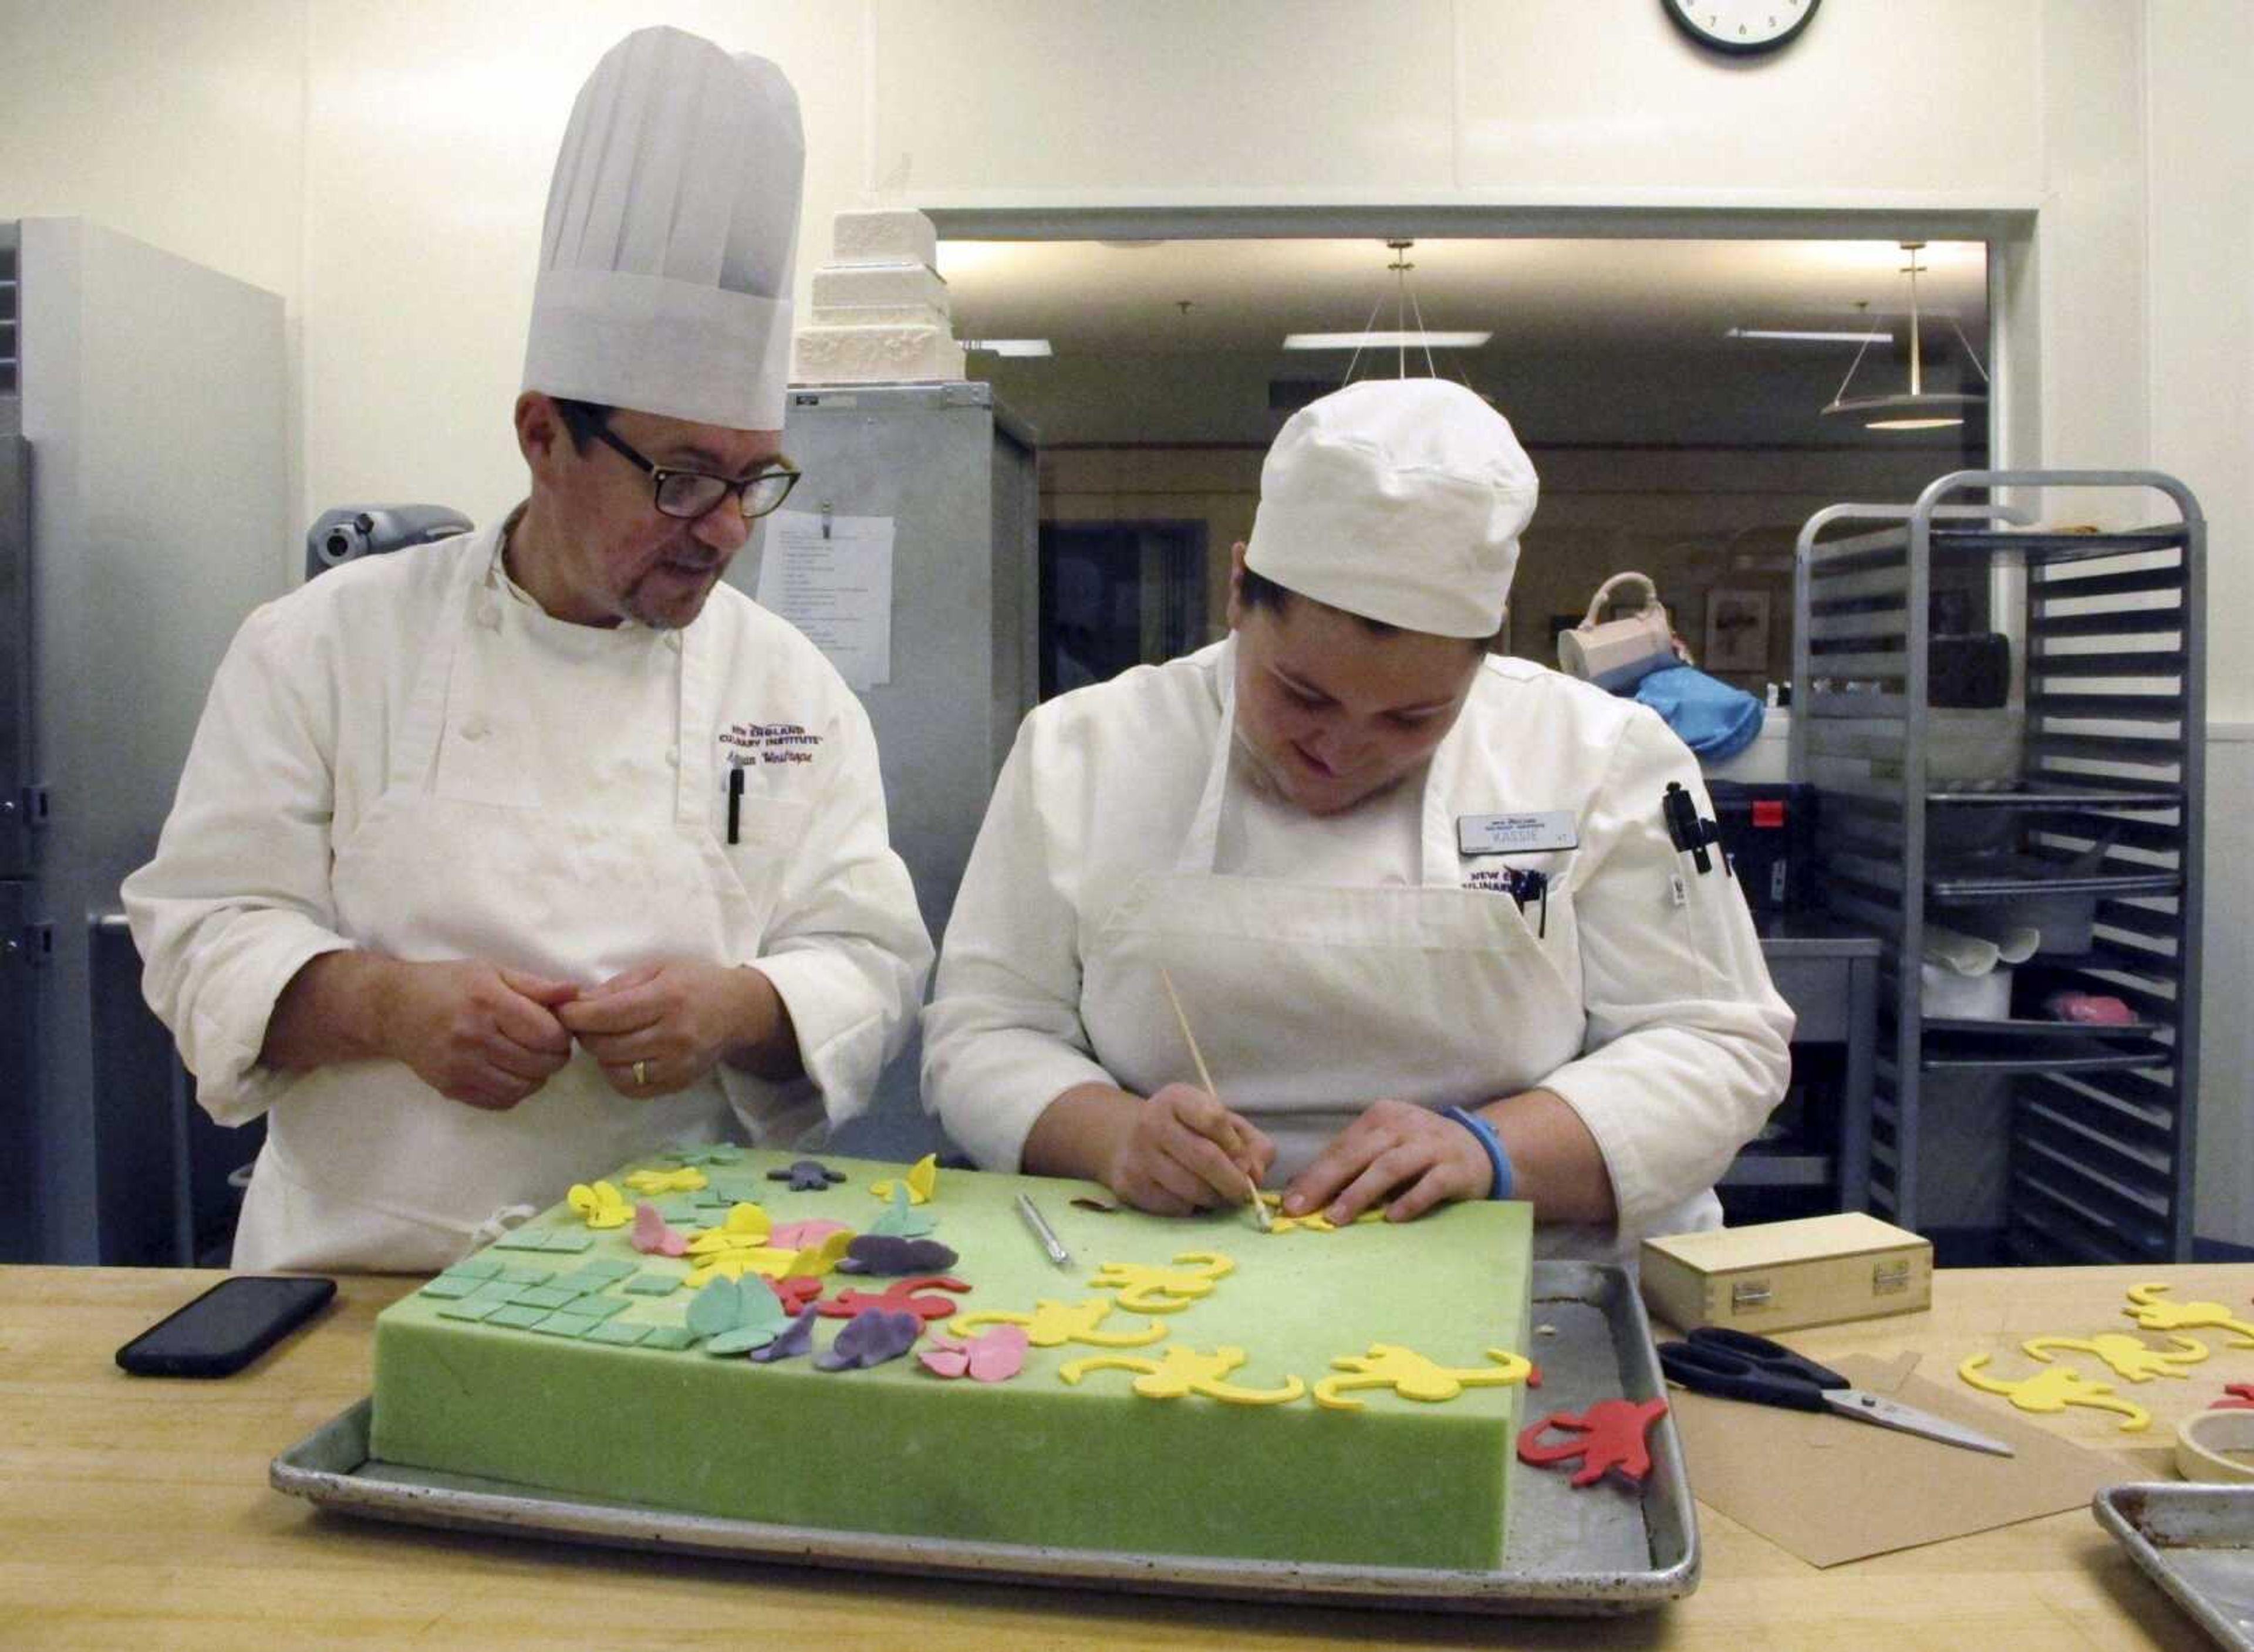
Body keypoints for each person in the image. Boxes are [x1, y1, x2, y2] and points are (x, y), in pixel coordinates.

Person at [123, 28, 932, 1272]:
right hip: (353, 1283)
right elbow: (202, 928)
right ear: (542, 433)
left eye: (753, 478)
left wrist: (740, 1008)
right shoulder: (322, 646)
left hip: (673, 1299)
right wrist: (387, 1007)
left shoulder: (791, 691)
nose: (723, 529)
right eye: (680, 477)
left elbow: (869, 953)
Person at [922, 377, 1791, 1260]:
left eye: (1413, 719)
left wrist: (1493, 1150)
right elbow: (986, 1029)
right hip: (1155, 1277)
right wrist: (1108, 1135)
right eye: (1301, 695)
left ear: (1483, 659)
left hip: (1533, 1278)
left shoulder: (1604, 757)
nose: (1341, 750)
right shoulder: (1086, 749)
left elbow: (1717, 1042)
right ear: (1237, 592)